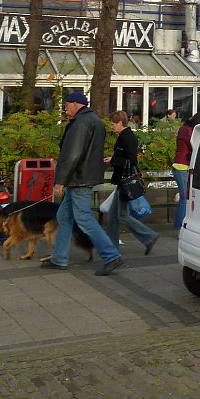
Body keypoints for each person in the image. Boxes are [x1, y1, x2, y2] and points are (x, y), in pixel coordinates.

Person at [43, 92, 124, 275]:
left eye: (66, 105)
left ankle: (111, 256)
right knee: (64, 217)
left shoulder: (80, 123)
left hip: (78, 179)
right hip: (83, 177)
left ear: (76, 104)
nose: (65, 108)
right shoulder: (94, 121)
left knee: (84, 219)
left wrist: (60, 181)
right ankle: (59, 259)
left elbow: (72, 155)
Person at [105, 111, 158, 256]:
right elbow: (127, 157)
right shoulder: (125, 136)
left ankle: (149, 236)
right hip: (123, 181)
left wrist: (113, 160)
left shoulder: (127, 137)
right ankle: (112, 249)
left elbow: (132, 161)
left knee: (121, 215)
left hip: (125, 181)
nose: (112, 127)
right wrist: (114, 158)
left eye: (113, 124)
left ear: (120, 123)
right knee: (113, 217)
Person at [172, 111, 200, 231]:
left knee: (186, 197)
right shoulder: (187, 130)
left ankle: (182, 225)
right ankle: (179, 227)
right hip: (181, 166)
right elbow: (195, 146)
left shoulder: (185, 128)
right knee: (184, 198)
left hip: (183, 166)